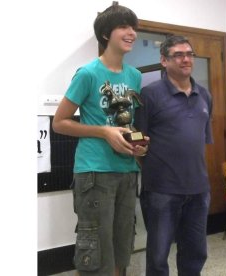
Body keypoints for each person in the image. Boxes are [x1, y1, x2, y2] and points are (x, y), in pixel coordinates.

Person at [52, 4, 148, 276]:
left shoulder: (135, 76)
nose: (131, 33)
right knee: (95, 250)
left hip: (128, 170)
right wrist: (103, 131)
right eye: (124, 27)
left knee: (122, 247)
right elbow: (60, 122)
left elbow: (127, 123)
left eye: (133, 28)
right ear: (106, 34)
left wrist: (138, 142)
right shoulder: (88, 73)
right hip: (94, 172)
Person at [134, 35, 213, 276]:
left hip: (198, 190)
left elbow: (202, 141)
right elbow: (139, 142)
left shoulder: (205, 95)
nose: (186, 59)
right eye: (178, 55)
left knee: (195, 253)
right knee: (158, 257)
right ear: (164, 61)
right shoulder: (149, 95)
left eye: (189, 54)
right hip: (161, 190)